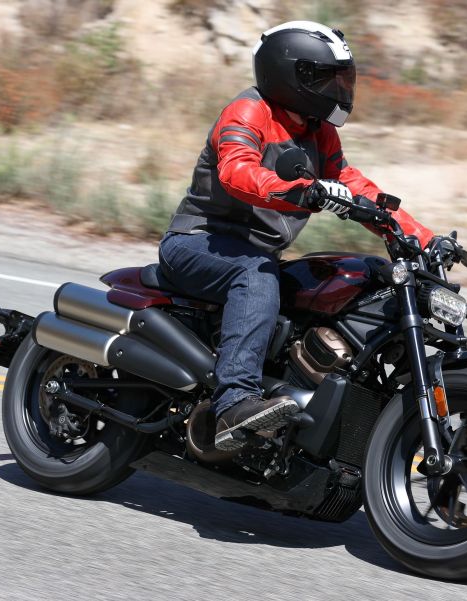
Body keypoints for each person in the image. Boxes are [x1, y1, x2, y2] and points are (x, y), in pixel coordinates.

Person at [158, 21, 434, 451]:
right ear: (291, 75)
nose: (338, 89)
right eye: (326, 78)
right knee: (255, 276)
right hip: (197, 242)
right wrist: (300, 190)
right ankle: (234, 403)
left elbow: (351, 183)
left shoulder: (319, 130)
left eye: (341, 77)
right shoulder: (248, 111)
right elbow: (237, 169)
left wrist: (420, 237)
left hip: (256, 255)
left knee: (366, 278)